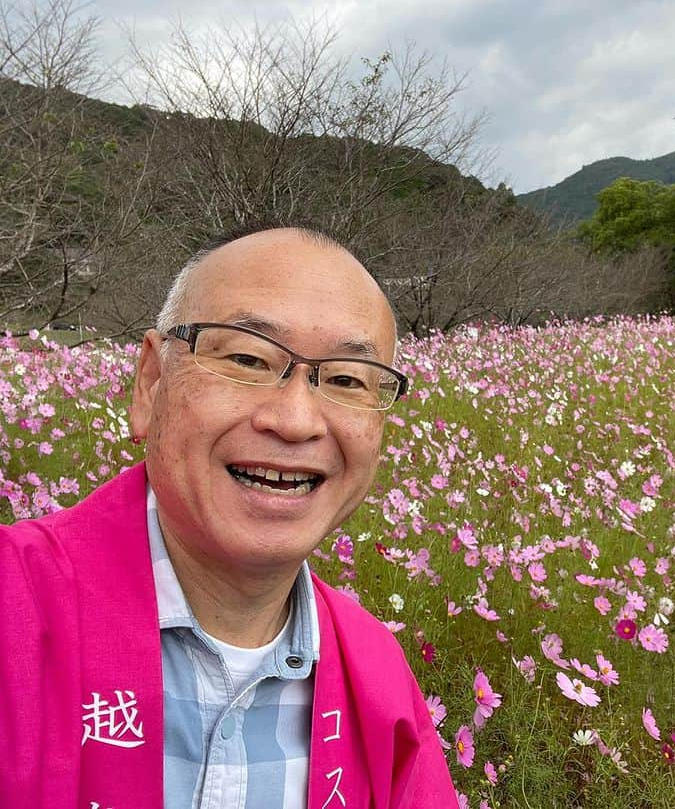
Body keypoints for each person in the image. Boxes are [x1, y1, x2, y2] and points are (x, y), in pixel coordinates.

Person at [0, 226, 458, 808]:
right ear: (150, 383)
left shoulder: (379, 677)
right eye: (247, 357)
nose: (295, 421)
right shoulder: (11, 602)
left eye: (345, 379)